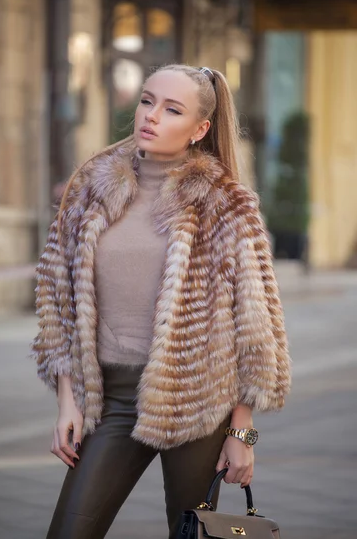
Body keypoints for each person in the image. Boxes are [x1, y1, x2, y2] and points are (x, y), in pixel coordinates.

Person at [31, 64, 291, 539]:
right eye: (148, 100)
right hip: (109, 401)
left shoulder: (227, 203)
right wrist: (68, 401)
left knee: (191, 533)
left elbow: (257, 327)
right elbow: (56, 300)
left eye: (172, 109)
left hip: (197, 401)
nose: (150, 115)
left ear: (200, 129)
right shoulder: (89, 190)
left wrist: (241, 433)